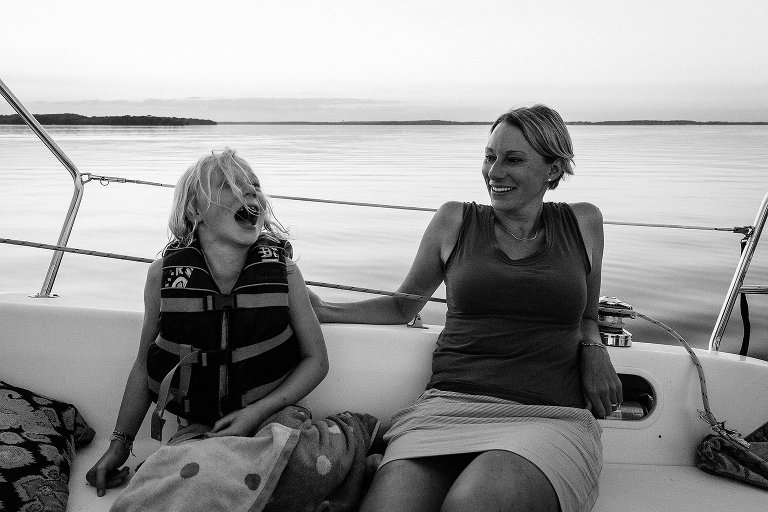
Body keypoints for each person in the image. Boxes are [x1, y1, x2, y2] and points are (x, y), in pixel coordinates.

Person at [309, 104, 622, 512]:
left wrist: (594, 349)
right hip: (448, 407)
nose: (494, 172)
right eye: (489, 157)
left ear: (553, 168)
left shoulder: (584, 223)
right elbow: (403, 306)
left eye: (513, 159)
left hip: (546, 415)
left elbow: (586, 316)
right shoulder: (454, 221)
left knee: (472, 503)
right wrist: (325, 310)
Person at [86, 148, 328, 497]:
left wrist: (256, 412)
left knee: (297, 468)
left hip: (272, 418)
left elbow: (317, 360)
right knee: (175, 485)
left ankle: (346, 449)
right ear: (195, 210)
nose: (249, 192)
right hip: (203, 429)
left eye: (255, 185)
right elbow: (144, 366)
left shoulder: (285, 273)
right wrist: (119, 445)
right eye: (229, 185)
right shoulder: (163, 277)